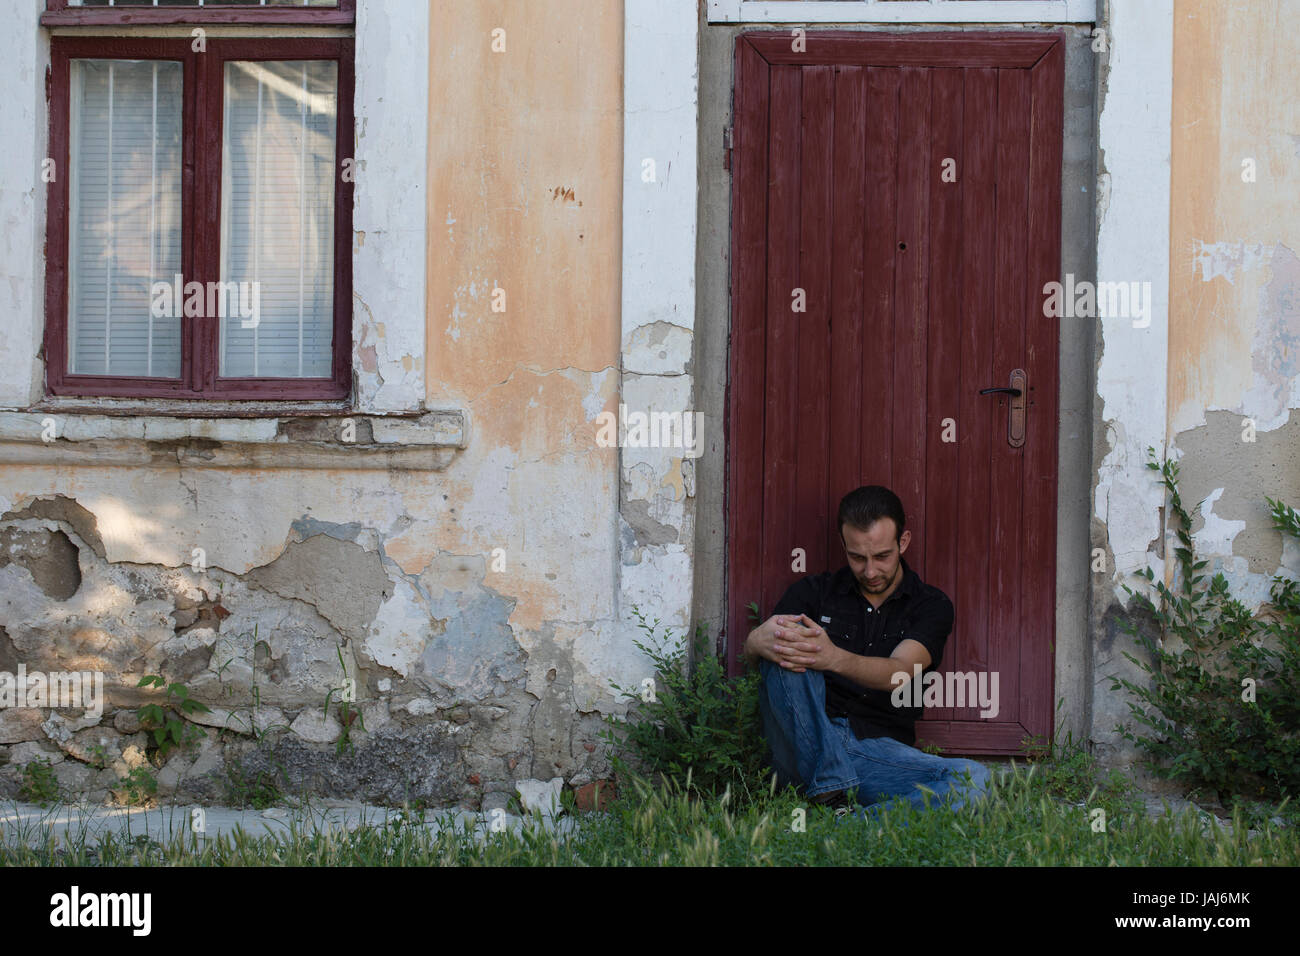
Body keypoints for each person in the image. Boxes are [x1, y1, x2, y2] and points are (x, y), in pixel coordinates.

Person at [743, 485, 992, 815]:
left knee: (976, 780)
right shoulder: (813, 593)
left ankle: (847, 820)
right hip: (801, 744)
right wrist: (754, 643)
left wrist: (833, 657)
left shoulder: (930, 605)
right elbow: (765, 664)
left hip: (875, 753)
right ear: (843, 546)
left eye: (882, 556)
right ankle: (830, 787)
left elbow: (900, 672)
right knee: (788, 638)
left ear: (903, 543)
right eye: (857, 557)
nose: (870, 571)